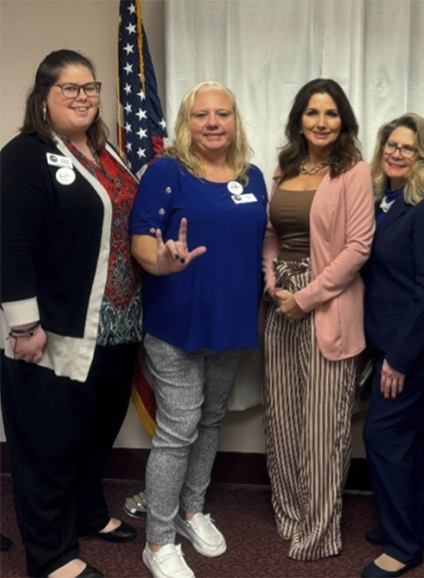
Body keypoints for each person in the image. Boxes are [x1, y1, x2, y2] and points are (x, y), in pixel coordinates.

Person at [0, 49, 142, 578]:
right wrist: (24, 325)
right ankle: (52, 556)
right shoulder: (25, 155)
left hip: (119, 325)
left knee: (95, 431)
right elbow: (10, 246)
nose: (84, 96)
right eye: (70, 88)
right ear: (44, 97)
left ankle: (87, 513)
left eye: (91, 87)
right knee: (47, 444)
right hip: (54, 327)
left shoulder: (107, 153)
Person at [130, 81, 268, 578]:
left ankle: (192, 512)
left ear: (235, 121)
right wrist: (161, 262)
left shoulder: (252, 176)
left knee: (210, 421)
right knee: (177, 430)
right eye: (202, 114)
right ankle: (159, 541)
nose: (213, 123)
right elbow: (142, 239)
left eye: (223, 114)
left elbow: (256, 243)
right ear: (186, 123)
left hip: (229, 322)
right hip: (176, 323)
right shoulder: (166, 171)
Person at [262, 78, 375, 561]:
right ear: (299, 119)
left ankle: (319, 530)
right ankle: (289, 513)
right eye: (312, 113)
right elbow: (269, 233)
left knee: (323, 428)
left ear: (343, 120)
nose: (321, 122)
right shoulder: (284, 167)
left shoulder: (353, 171)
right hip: (277, 303)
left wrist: (304, 298)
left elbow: (357, 249)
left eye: (331, 114)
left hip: (324, 306)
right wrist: (271, 281)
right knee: (283, 421)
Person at [360, 114, 424, 578]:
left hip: (416, 345)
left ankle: (403, 546)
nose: (397, 153)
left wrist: (398, 358)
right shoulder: (385, 202)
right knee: (408, 431)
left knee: (383, 433)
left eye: (408, 148)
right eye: (391, 145)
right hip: (389, 342)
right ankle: (420, 526)